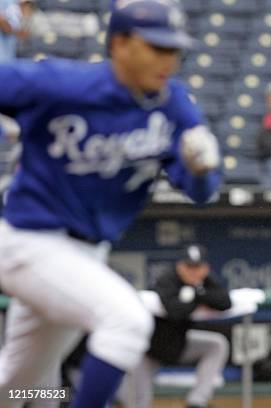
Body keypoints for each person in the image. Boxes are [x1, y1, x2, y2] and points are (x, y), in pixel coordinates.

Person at [0, 0, 222, 407]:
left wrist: (203, 170)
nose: (167, 60)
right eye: (156, 47)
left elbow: (201, 193)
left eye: (174, 50)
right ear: (119, 43)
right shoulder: (61, 84)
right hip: (27, 240)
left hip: (85, 254)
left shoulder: (173, 106)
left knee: (15, 384)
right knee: (125, 321)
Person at [117, 245, 231, 408]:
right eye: (188, 267)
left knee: (217, 345)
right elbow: (175, 311)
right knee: (138, 404)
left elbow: (225, 302)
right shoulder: (167, 279)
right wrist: (199, 299)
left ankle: (196, 402)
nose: (193, 272)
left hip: (178, 345)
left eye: (197, 267)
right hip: (147, 352)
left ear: (205, 268)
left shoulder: (204, 282)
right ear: (180, 266)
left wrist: (197, 293)